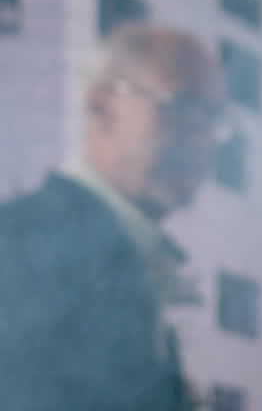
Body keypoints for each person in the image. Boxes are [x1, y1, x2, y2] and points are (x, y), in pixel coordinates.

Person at [0, 23, 227, 411]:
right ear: (102, 106)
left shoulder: (123, 251)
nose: (203, 139)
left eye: (214, 120)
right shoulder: (25, 245)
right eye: (183, 108)